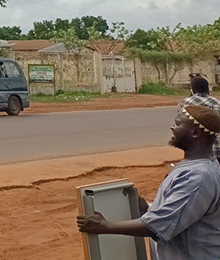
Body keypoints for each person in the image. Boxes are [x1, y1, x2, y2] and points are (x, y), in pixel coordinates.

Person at [77, 105, 220, 260]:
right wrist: (148, 210)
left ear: (195, 133)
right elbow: (179, 213)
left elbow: (159, 226)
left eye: (178, 124)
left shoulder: (198, 177)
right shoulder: (196, 167)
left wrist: (104, 226)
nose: (173, 128)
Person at [179, 75, 220, 161]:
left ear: (192, 89)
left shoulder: (184, 104)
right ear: (207, 88)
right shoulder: (217, 103)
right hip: (216, 151)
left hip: (195, 153)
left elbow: (181, 126)